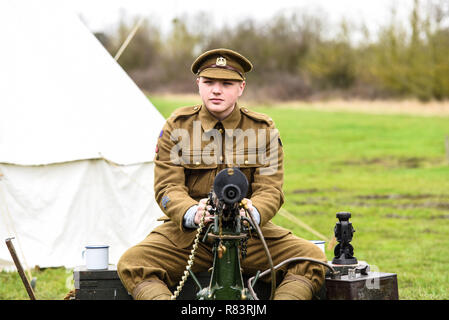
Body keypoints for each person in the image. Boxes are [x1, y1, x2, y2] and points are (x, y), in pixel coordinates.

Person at [117, 48, 326, 300]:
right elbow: (167, 188)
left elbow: (270, 189)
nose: (216, 90)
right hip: (190, 237)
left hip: (248, 236)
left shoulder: (262, 129)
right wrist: (193, 213)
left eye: (226, 83)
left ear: (241, 88)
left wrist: (252, 213)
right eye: (209, 82)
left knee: (311, 259)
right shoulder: (178, 125)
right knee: (133, 263)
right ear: (198, 85)